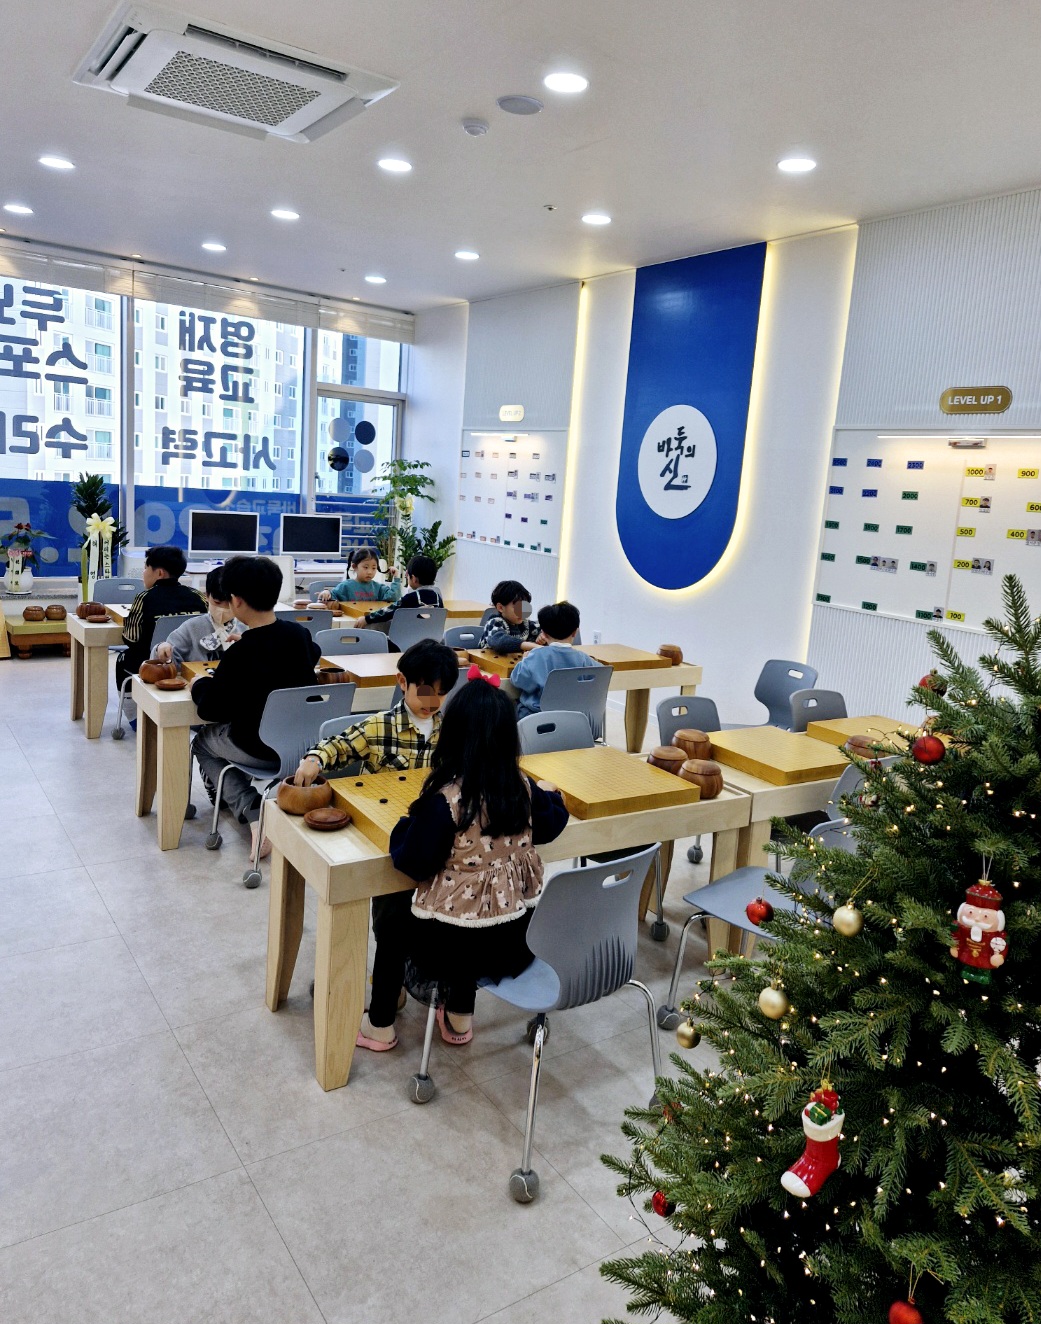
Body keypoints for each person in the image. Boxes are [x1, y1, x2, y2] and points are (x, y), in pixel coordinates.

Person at [292, 639, 460, 1051]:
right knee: (390, 924)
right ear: (403, 683)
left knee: (436, 921)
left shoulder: (451, 731)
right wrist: (314, 759)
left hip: (431, 843)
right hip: (387, 843)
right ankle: (388, 996)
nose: (432, 701)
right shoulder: (378, 727)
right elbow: (337, 746)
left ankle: (407, 988)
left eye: (441, 693)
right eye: (424, 691)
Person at [390, 671, 568, 1045]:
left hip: (449, 953)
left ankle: (406, 1007)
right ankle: (458, 1015)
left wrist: (404, 827)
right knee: (472, 921)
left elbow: (414, 862)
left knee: (393, 914)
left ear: (452, 735)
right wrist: (553, 796)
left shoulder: (446, 801)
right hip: (514, 944)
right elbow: (551, 825)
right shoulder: (520, 787)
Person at [190, 556, 320, 858]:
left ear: (236, 601)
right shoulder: (299, 635)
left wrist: (199, 683)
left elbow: (209, 710)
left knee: (202, 744)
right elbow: (313, 652)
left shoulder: (241, 653)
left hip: (257, 747)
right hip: (302, 745)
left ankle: (251, 807)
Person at [117, 544, 205, 687]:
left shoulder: (144, 597)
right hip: (190, 664)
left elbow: (131, 639)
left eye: (146, 568)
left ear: (159, 573)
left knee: (123, 657)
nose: (143, 573)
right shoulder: (198, 596)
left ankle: (132, 701)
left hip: (154, 666)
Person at [509, 600, 599, 720]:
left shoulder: (536, 656)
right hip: (574, 720)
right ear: (575, 632)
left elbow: (517, 680)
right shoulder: (583, 658)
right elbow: (601, 674)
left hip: (536, 721)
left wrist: (523, 661)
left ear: (544, 634)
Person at [150, 566, 247, 666]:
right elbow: (167, 660)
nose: (222, 610)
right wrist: (161, 649)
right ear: (207, 595)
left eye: (228, 605)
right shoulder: (192, 628)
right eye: (217, 603)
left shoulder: (246, 627)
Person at [361, 554, 443, 628]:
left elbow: (388, 611)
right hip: (433, 637)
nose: (406, 576)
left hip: (406, 639)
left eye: (407, 574)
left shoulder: (410, 598)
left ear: (414, 579)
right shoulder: (438, 598)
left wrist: (367, 619)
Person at [315, 547, 400, 608]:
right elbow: (331, 598)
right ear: (354, 566)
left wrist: (396, 577)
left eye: (374, 568)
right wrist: (326, 592)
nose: (370, 572)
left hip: (370, 623)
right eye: (366, 567)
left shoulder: (378, 588)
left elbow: (394, 597)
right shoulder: (345, 586)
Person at [479, 579, 541, 654]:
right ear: (501, 608)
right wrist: (531, 646)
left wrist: (543, 636)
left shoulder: (526, 624)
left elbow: (544, 630)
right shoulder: (494, 623)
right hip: (487, 661)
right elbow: (500, 642)